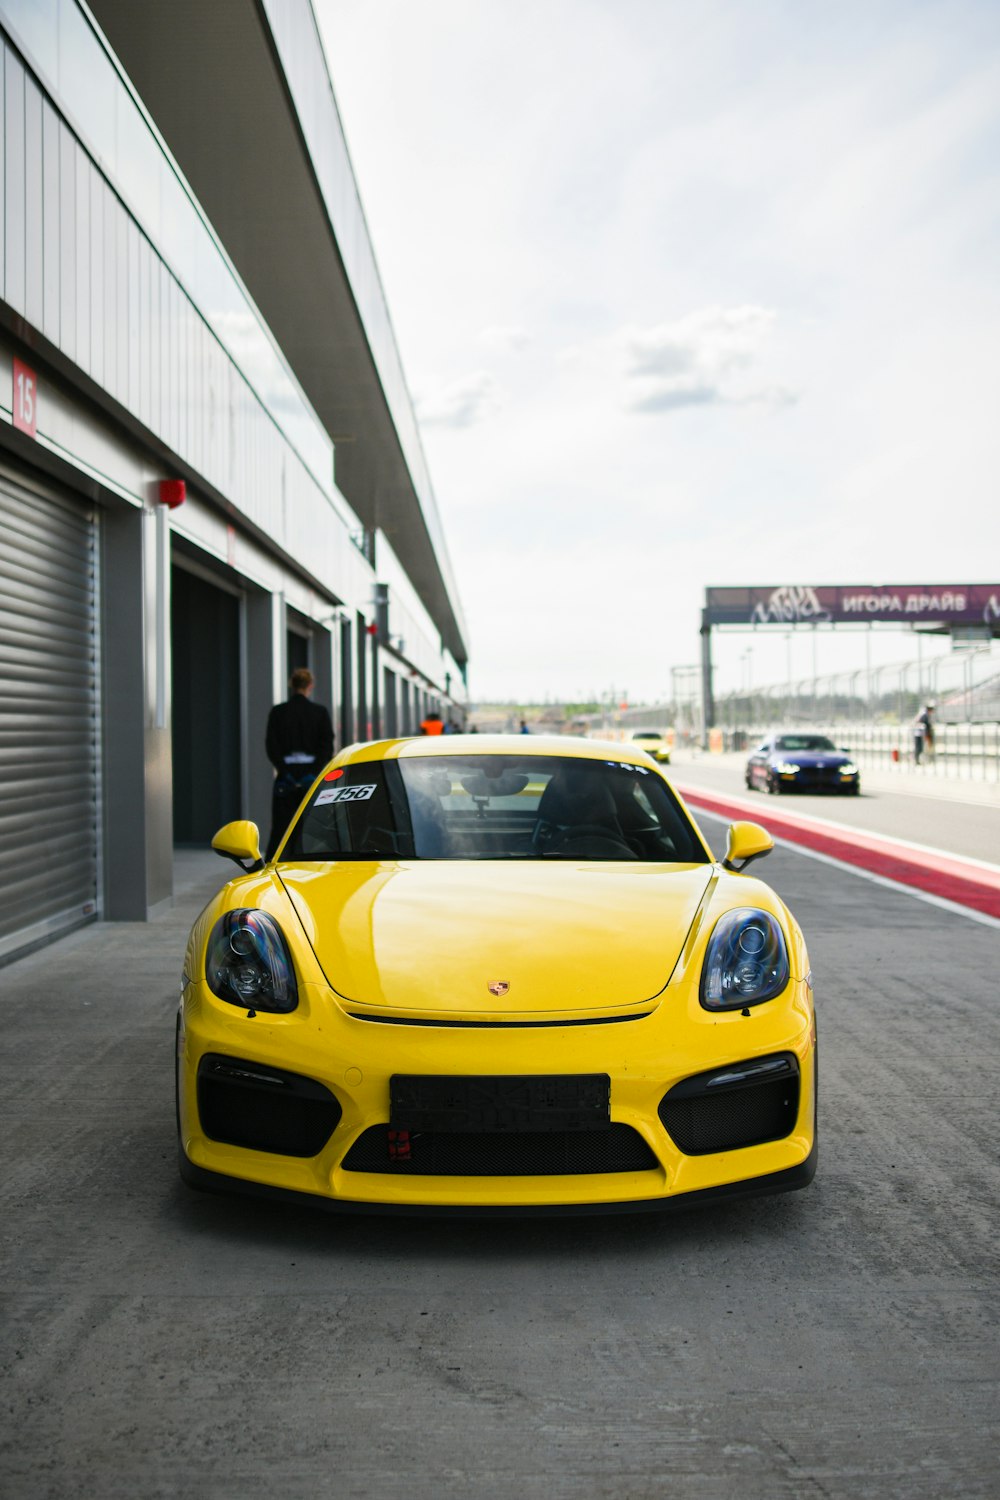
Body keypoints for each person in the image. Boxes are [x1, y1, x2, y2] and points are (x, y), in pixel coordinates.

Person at [265, 667, 334, 858]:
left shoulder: (278, 712)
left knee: (280, 827)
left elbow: (272, 746)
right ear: (310, 686)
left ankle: (275, 862)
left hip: (285, 776)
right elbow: (326, 745)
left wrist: (285, 771)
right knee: (313, 824)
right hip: (310, 776)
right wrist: (313, 772)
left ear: (291, 685)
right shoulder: (319, 712)